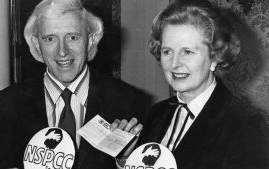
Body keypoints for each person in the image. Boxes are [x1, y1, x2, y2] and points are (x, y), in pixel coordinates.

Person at [0, 0, 144, 168]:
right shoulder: (12, 103)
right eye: (50, 39)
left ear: (90, 40)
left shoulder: (125, 99)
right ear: (37, 45)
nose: (62, 51)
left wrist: (124, 160)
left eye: (73, 37)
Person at [114, 1, 269, 169]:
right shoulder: (158, 112)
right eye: (167, 51)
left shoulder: (245, 123)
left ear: (215, 57)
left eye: (187, 52)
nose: (174, 64)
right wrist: (127, 158)